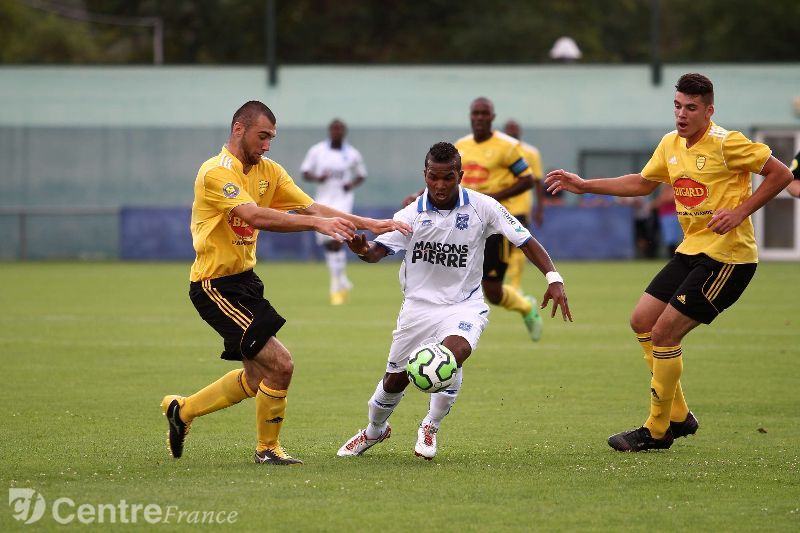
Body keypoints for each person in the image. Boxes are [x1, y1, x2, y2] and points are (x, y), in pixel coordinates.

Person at [545, 73, 793, 452]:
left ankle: (657, 429)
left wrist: (740, 212)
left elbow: (782, 174)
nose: (681, 114)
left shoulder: (727, 143)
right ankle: (679, 414)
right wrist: (584, 185)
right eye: (677, 106)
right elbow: (643, 183)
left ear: (709, 111)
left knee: (664, 335)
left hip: (729, 258)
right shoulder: (670, 144)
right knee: (642, 321)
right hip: (692, 250)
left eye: (691, 107)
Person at [161, 101, 409, 466]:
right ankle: (267, 449)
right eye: (262, 137)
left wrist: (369, 223)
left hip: (245, 282)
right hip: (215, 286)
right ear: (239, 129)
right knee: (281, 365)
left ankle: (182, 411)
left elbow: (312, 207)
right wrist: (317, 225)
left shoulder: (270, 171)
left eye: (271, 139)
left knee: (256, 377)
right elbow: (254, 216)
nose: (266, 145)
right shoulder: (215, 172)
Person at [337, 142, 572, 460]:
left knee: (452, 356)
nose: (440, 185)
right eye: (433, 177)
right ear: (425, 174)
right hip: (418, 307)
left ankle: (430, 425)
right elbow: (377, 251)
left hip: (464, 304)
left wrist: (553, 278)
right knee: (394, 380)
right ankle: (374, 431)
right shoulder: (411, 213)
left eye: (448, 177)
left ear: (460, 175)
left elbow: (525, 240)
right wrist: (363, 250)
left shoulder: (483, 207)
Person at [456, 98, 544, 342]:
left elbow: (527, 180)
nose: (479, 117)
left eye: (484, 113)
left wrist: (492, 198)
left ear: (492, 117)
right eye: (476, 113)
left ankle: (526, 307)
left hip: (494, 226)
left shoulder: (507, 147)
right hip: (464, 225)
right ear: (470, 116)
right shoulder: (460, 146)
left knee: (493, 292)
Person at [301, 119, 368, 305]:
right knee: (328, 243)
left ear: (344, 132)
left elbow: (361, 174)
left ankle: (335, 286)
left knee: (336, 239)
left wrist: (351, 184)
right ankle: (342, 280)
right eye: (334, 129)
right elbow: (305, 172)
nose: (337, 132)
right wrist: (318, 177)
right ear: (329, 131)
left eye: (340, 130)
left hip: (342, 201)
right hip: (323, 201)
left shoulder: (352, 154)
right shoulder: (317, 151)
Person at [503, 119, 545, 291]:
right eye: (509, 129)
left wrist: (540, 208)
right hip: (501, 205)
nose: (511, 132)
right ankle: (505, 282)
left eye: (514, 129)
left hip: (521, 206)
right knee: (502, 247)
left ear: (519, 131)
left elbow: (537, 181)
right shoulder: (502, 151)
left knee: (518, 243)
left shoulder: (530, 153)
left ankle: (515, 284)